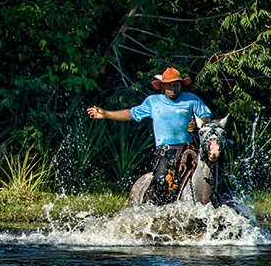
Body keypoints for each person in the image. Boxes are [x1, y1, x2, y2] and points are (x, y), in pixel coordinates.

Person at [87, 66, 213, 204]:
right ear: (163, 87)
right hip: (166, 151)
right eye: (169, 85)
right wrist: (106, 113)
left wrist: (197, 124)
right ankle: (157, 208)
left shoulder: (191, 100)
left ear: (181, 85)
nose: (173, 88)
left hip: (188, 148)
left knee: (212, 174)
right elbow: (131, 114)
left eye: (176, 85)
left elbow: (206, 117)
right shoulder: (153, 102)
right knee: (160, 181)